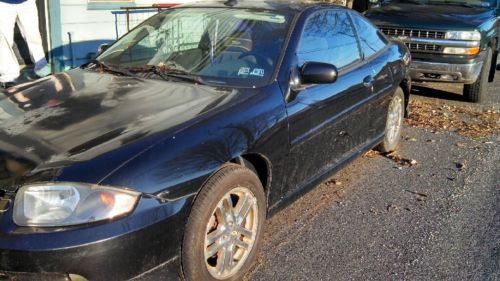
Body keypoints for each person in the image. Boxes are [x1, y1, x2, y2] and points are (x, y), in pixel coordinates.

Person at [0, 0, 51, 88]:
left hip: (27, 3)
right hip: (3, 3)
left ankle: (41, 67)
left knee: (33, 35)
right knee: (4, 40)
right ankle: (8, 76)